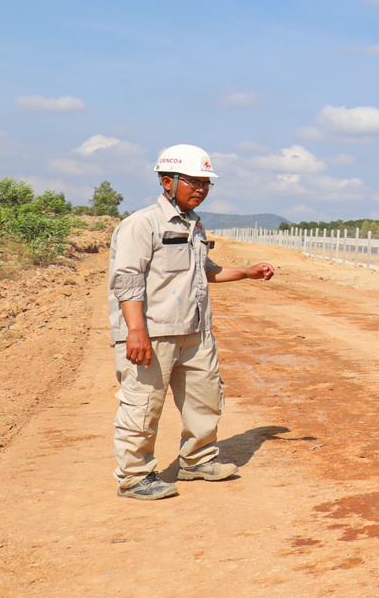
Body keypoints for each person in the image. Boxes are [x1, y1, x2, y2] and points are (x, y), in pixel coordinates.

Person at [108, 144, 275, 501]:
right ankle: (134, 477)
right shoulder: (142, 224)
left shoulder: (193, 225)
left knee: (205, 398)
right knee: (142, 405)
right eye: (193, 182)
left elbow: (205, 271)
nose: (200, 189)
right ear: (167, 181)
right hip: (152, 332)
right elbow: (127, 280)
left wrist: (247, 272)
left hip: (194, 331)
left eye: (205, 184)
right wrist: (136, 331)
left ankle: (197, 460)